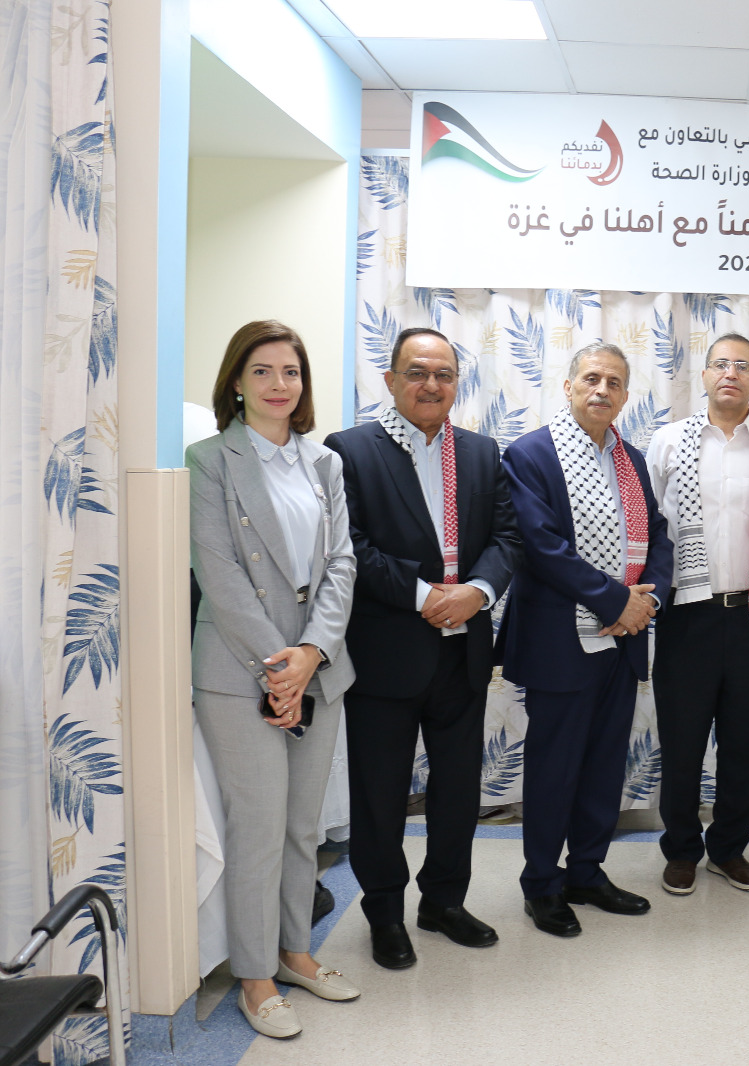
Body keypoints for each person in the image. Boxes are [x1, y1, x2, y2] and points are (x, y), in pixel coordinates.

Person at [323, 327, 523, 971]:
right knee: (379, 795)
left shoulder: (483, 452)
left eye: (443, 374)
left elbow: (508, 538)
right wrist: (422, 596)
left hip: (463, 654)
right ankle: (384, 913)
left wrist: (478, 592)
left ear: (456, 383)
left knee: (459, 790)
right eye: (417, 372)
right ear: (390, 380)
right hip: (386, 654)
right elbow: (349, 546)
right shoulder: (349, 450)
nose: (431, 385)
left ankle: (443, 902)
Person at [189, 321, 360, 1039]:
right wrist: (278, 665)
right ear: (236, 381)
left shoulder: (324, 463)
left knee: (301, 826)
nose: (278, 384)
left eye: (290, 371)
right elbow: (218, 571)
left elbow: (343, 561)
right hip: (239, 670)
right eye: (261, 371)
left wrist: (312, 653)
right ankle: (255, 977)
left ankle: (295, 953)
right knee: (258, 825)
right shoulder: (209, 460)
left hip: (316, 666)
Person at [500, 342, 675, 936]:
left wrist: (647, 601)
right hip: (560, 640)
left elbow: (658, 538)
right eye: (592, 378)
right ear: (569, 385)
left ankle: (587, 872)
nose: (603, 389)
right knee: (554, 769)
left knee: (604, 764)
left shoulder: (632, 459)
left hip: (622, 641)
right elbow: (542, 547)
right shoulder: (530, 454)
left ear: (625, 396)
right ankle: (541, 885)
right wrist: (616, 601)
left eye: (615, 382)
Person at [646, 334, 749, 895]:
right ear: (705, 375)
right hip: (688, 614)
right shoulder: (667, 442)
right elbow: (653, 530)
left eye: (742, 365)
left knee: (748, 742)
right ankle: (682, 850)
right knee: (682, 741)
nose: (731, 373)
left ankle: (729, 848)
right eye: (720, 364)